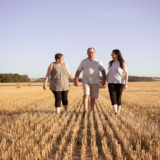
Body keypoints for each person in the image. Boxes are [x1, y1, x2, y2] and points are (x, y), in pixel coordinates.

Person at [74, 48, 106, 116]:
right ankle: (85, 111)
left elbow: (103, 70)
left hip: (95, 81)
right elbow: (78, 71)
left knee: (93, 97)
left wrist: (104, 79)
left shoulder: (98, 61)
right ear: (87, 53)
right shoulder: (83, 61)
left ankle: (91, 111)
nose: (90, 53)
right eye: (89, 52)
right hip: (86, 81)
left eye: (92, 52)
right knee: (86, 95)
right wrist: (76, 79)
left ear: (94, 53)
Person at [106, 49, 128, 116]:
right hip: (111, 82)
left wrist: (126, 83)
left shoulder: (122, 63)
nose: (111, 55)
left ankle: (118, 112)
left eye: (112, 54)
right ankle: (115, 112)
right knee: (113, 97)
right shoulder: (111, 63)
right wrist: (104, 80)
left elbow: (126, 73)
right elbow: (108, 73)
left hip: (120, 82)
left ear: (116, 54)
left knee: (118, 97)